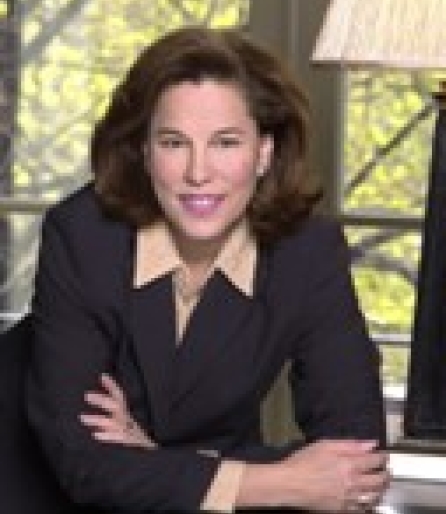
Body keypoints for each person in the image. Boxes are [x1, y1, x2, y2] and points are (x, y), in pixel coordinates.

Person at [26, 26, 389, 513]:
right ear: (144, 151)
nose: (199, 172)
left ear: (264, 152)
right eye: (174, 143)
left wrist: (156, 462)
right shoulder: (83, 237)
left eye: (225, 142)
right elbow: (84, 466)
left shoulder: (308, 251)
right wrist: (277, 481)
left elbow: (358, 460)